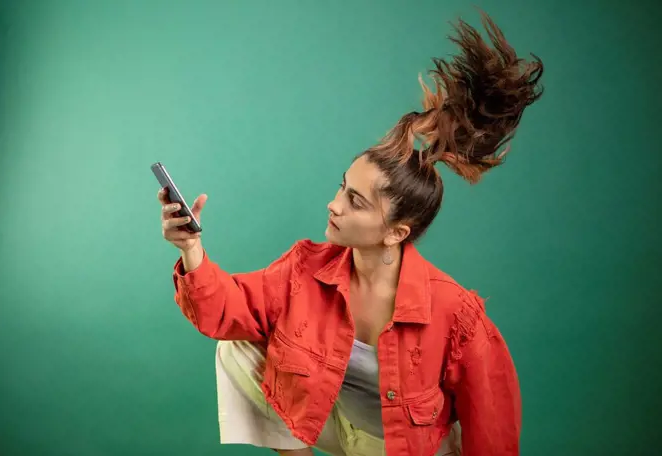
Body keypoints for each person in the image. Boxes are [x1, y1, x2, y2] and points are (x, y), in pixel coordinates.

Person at [158, 10, 543, 456]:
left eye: (356, 201)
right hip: (338, 428)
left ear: (396, 233)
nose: (334, 204)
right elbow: (226, 311)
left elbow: (492, 430)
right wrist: (192, 248)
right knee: (236, 350)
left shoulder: (455, 314)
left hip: (406, 449)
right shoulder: (306, 267)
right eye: (343, 186)